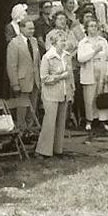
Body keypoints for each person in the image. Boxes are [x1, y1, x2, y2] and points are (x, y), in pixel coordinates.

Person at [36, 30, 73, 159]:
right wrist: (59, 77)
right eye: (61, 41)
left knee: (61, 121)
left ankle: (58, 149)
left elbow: (70, 75)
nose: (64, 43)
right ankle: (43, 150)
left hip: (64, 92)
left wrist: (71, 91)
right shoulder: (47, 57)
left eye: (64, 40)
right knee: (49, 122)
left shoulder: (67, 56)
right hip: (51, 94)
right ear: (54, 43)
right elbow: (44, 78)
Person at [76, 17, 108, 131]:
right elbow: (81, 58)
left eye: (95, 26)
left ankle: (103, 121)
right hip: (89, 72)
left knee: (102, 96)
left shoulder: (103, 41)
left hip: (102, 72)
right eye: (91, 26)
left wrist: (107, 72)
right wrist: (94, 51)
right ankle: (90, 120)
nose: (94, 28)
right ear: (86, 28)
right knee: (89, 97)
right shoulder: (83, 42)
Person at [6, 16, 42, 137]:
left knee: (32, 109)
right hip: (22, 81)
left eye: (33, 29)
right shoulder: (14, 43)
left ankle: (29, 132)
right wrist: (15, 84)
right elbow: (11, 65)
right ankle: (21, 133)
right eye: (29, 29)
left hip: (35, 80)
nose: (32, 31)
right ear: (21, 28)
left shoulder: (34, 41)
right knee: (22, 109)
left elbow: (37, 62)